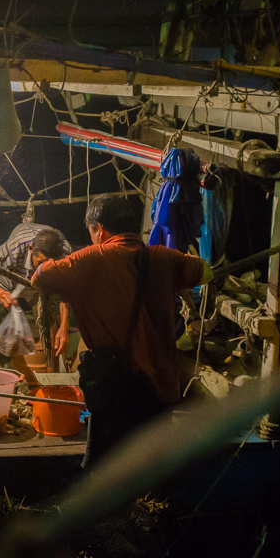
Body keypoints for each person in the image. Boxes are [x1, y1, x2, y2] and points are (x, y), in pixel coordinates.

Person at [31, 195, 213, 467]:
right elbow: (206, 272)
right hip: (160, 386)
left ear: (100, 230)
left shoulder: (89, 259)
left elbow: (40, 276)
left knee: (104, 469)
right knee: (155, 467)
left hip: (114, 386)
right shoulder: (165, 258)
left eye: (92, 232)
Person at [0, 222, 73, 358]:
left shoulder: (65, 253)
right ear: (30, 249)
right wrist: (0, 293)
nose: (44, 268)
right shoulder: (15, 246)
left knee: (49, 325)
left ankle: (51, 368)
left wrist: (64, 326)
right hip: (10, 276)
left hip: (41, 285)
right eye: (41, 262)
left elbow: (66, 291)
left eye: (49, 264)